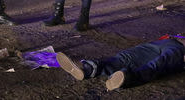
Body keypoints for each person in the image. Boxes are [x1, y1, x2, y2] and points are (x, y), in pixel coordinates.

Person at [56, 35, 185, 90]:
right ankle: (88, 69)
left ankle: (128, 78)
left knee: (157, 64)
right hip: (167, 41)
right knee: (125, 57)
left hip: (180, 50)